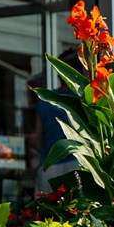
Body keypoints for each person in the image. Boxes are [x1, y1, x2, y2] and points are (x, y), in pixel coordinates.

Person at [28, 49, 80, 193]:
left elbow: (36, 140)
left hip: (48, 166)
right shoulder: (82, 101)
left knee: (44, 213)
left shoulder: (45, 100)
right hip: (76, 164)